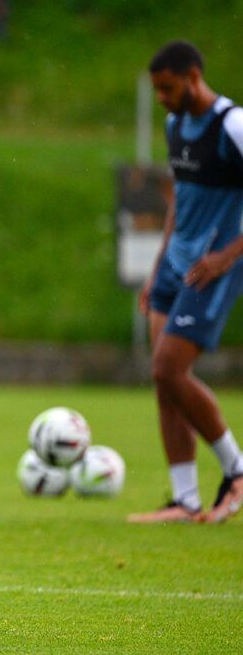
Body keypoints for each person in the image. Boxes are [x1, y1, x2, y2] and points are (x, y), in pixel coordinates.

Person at [129, 40, 243, 525]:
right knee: (163, 381)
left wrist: (226, 257)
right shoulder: (175, 124)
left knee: (169, 369)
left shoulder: (232, 124)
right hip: (176, 266)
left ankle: (237, 470)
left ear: (193, 76)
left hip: (212, 266)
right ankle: (185, 499)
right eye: (156, 90)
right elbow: (181, 198)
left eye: (167, 88)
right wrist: (158, 266)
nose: (161, 98)